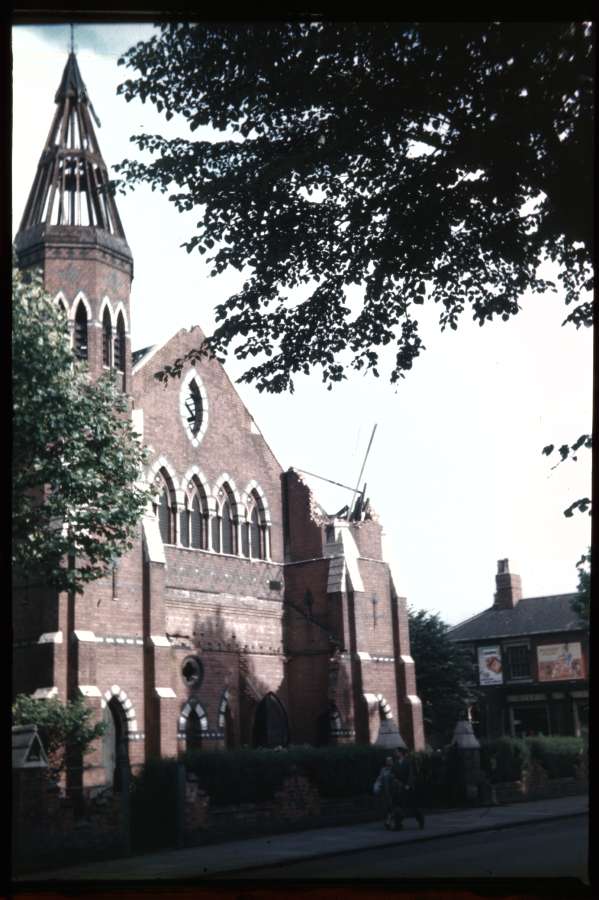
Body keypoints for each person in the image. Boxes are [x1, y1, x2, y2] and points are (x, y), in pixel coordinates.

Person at [390, 747, 425, 830]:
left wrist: (408, 785)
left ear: (401, 753)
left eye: (397, 752)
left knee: (413, 807)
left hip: (408, 787)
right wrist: (395, 780)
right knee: (398, 806)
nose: (395, 753)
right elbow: (393, 774)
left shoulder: (408, 762)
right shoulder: (395, 764)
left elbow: (411, 774)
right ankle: (398, 824)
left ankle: (420, 819)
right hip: (399, 787)